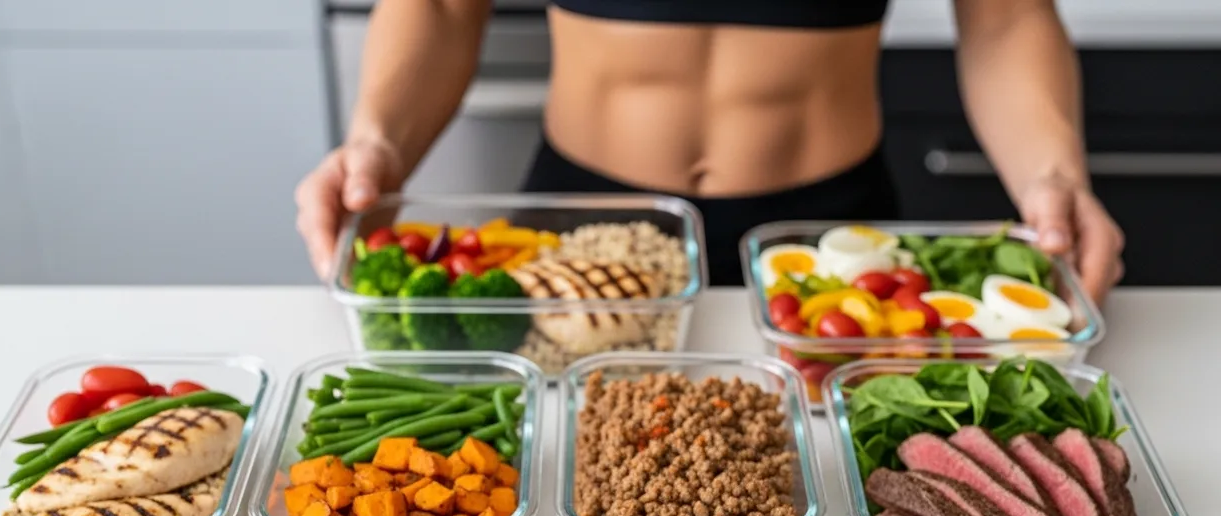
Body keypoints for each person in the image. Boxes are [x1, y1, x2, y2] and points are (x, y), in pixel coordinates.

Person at [295, 0, 1123, 297]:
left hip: (829, 243)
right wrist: (376, 143)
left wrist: (1054, 174)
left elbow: (1005, 14)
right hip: (579, 234)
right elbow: (439, 6)